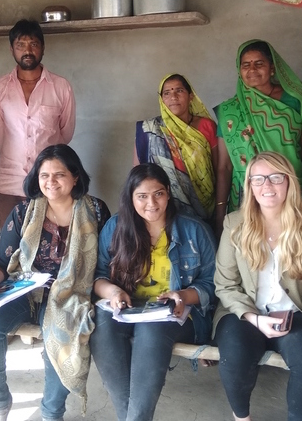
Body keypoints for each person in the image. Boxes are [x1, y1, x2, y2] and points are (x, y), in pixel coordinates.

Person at [0, 144, 110, 421]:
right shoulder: (24, 212)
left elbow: (106, 262)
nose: (51, 182)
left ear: (75, 176)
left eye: (59, 174)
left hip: (71, 294)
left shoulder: (97, 212)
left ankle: (51, 412)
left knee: (62, 327)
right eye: (44, 175)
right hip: (25, 291)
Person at [213, 151, 302, 421]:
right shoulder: (235, 224)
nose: (267, 186)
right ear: (249, 185)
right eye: (258, 179)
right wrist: (253, 318)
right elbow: (225, 284)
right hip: (245, 313)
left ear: (289, 182)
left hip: (294, 313)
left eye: (276, 177)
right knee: (234, 353)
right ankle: (242, 418)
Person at [90, 163, 216, 421]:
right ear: (131, 198)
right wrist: (113, 292)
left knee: (151, 328)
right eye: (142, 196)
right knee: (101, 325)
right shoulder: (116, 228)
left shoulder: (194, 230)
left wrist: (182, 296)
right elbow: (98, 276)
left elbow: (213, 284)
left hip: (177, 312)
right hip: (126, 308)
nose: (151, 203)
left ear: (168, 193)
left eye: (158, 193)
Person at [214, 39, 302, 235]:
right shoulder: (230, 111)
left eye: (259, 63)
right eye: (246, 65)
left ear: (273, 68)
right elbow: (224, 166)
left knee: (296, 251)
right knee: (254, 255)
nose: (252, 69)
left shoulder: (294, 101)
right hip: (249, 198)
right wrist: (219, 211)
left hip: (293, 192)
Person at [0, 19, 76, 228]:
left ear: (43, 48)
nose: (28, 50)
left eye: (34, 44)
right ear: (12, 50)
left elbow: (66, 133)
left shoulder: (60, 87)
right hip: (9, 181)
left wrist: (46, 161)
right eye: (21, 45)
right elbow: (1, 136)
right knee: (10, 246)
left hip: (49, 183)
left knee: (48, 245)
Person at [134, 74, 218, 222]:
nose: (173, 96)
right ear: (161, 99)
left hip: (204, 205)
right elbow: (138, 172)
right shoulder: (149, 130)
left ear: (191, 96)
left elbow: (218, 168)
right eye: (167, 93)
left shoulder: (206, 126)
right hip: (163, 205)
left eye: (179, 91)